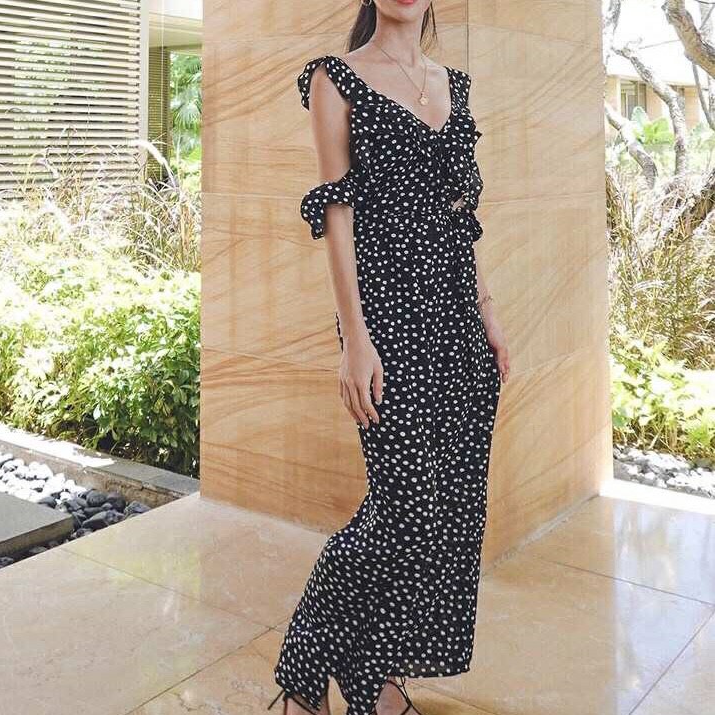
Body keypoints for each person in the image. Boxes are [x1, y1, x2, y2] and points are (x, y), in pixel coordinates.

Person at [270, 2, 509, 714]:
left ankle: (360, 680)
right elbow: (336, 214)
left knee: (448, 512)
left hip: (458, 321)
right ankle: (317, 675)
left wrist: (488, 312)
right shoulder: (334, 79)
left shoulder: (453, 86)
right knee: (402, 513)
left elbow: (461, 216)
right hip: (387, 321)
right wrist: (355, 338)